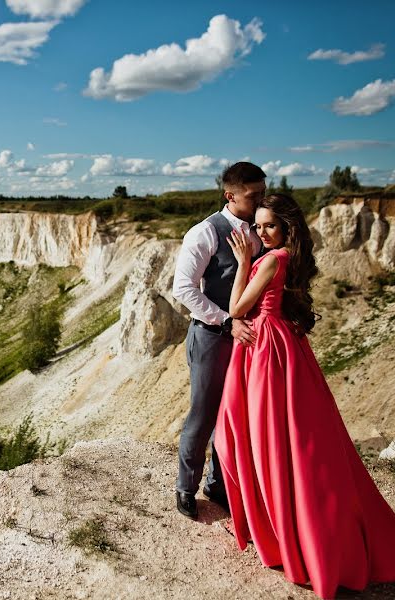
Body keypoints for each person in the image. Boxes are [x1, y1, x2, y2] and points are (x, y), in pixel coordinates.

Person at [214, 193, 395, 599]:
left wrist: (243, 262)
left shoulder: (274, 259)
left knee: (264, 438)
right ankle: (279, 527)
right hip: (276, 345)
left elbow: (238, 307)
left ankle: (284, 534)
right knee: (272, 437)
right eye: (257, 226)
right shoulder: (282, 257)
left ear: (286, 228)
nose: (261, 232)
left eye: (269, 226)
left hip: (266, 349)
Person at [172, 161, 267, 519]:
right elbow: (183, 288)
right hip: (212, 337)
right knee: (204, 413)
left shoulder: (263, 229)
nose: (260, 200)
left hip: (251, 339)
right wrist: (227, 321)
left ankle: (219, 485)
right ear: (230, 195)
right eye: (252, 195)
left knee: (236, 417)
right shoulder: (205, 232)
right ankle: (186, 487)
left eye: (263, 192)